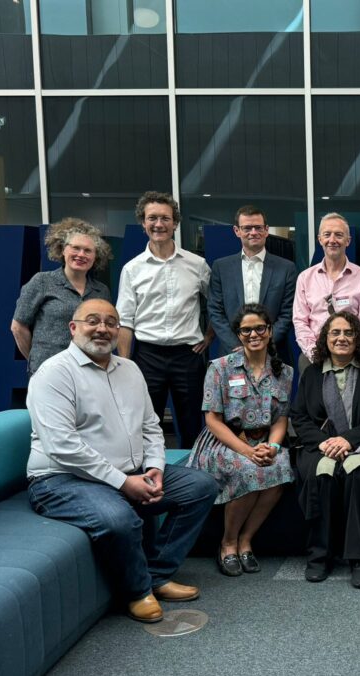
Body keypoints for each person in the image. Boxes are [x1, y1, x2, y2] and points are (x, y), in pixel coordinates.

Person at [26, 299, 219, 623]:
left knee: (201, 487)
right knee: (120, 518)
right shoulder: (53, 373)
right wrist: (123, 483)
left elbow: (150, 426)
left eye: (110, 322)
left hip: (131, 472)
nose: (102, 328)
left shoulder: (129, 370)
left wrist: (155, 467)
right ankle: (138, 591)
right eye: (92, 321)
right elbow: (62, 447)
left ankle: (158, 574)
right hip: (61, 479)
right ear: (73, 328)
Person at [187, 303, 293, 578]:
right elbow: (212, 421)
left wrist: (273, 446)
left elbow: (281, 418)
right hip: (224, 441)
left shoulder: (285, 372)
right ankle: (228, 542)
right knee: (248, 470)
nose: (254, 334)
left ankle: (246, 539)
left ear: (270, 331)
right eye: (246, 330)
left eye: (260, 328)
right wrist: (247, 451)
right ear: (238, 335)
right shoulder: (220, 368)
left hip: (264, 441)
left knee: (281, 466)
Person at [290, 311, 360, 588]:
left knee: (358, 473)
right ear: (326, 338)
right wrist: (323, 442)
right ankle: (319, 556)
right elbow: (299, 417)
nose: (342, 338)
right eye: (335, 332)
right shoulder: (311, 373)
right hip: (320, 445)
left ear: (357, 337)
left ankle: (359, 557)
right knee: (321, 474)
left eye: (349, 332)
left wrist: (348, 440)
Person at [116, 191, 213, 448]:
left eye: (165, 219)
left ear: (175, 223)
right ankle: (150, 479)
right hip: (147, 356)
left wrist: (209, 335)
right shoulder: (132, 269)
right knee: (146, 424)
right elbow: (125, 320)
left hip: (188, 355)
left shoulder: (197, 265)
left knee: (193, 423)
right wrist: (124, 366)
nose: (159, 224)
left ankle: (194, 478)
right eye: (152, 218)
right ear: (143, 222)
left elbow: (217, 303)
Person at [11, 217, 112, 375]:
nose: (81, 254)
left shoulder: (101, 291)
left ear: (95, 256)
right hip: (48, 370)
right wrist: (36, 359)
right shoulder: (42, 282)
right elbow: (18, 327)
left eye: (88, 250)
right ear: (62, 249)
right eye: (75, 248)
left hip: (89, 370)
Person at [209, 205, 298, 359]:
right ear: (237, 231)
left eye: (258, 227)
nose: (253, 232)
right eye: (247, 228)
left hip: (274, 353)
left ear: (266, 230)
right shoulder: (221, 267)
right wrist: (236, 346)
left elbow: (287, 313)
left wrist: (264, 343)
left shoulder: (286, 268)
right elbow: (215, 311)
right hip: (232, 353)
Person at [292, 212, 360, 373]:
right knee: (312, 398)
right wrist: (315, 353)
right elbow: (300, 321)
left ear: (348, 241)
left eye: (339, 235)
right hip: (314, 359)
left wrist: (346, 353)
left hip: (352, 358)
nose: (332, 240)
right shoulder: (305, 278)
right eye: (327, 234)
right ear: (320, 239)